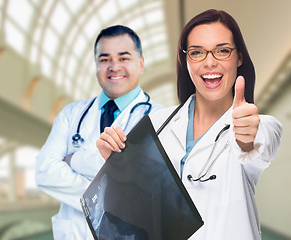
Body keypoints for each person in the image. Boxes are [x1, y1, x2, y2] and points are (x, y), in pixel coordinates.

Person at [96, 9, 282, 240]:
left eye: (222, 50)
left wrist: (246, 139)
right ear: (186, 61)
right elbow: (137, 209)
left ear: (239, 57)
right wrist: (116, 166)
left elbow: (256, 147)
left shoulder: (261, 126)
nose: (210, 62)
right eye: (197, 53)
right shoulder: (156, 123)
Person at [35, 25, 162, 239]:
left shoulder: (159, 118)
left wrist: (74, 160)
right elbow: (44, 172)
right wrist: (112, 191)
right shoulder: (72, 114)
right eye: (105, 59)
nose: (114, 66)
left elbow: (142, 189)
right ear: (96, 66)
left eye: (124, 58)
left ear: (141, 64)